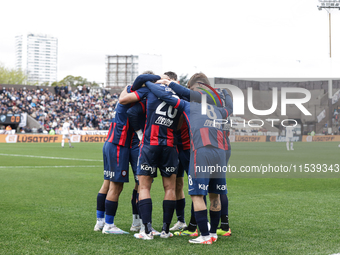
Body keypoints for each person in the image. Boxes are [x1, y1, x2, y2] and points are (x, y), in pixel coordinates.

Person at [143, 75, 232, 244]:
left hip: (201, 150)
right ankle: (213, 233)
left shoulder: (188, 105)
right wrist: (226, 93)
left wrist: (152, 83)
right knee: (215, 195)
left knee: (197, 195)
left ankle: (204, 236)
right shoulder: (220, 109)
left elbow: (165, 96)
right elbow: (230, 107)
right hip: (220, 152)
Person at [119, 72, 180, 240]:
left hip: (150, 144)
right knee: (170, 188)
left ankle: (147, 231)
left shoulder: (149, 90)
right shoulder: (178, 93)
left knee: (144, 187)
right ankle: (166, 231)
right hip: (170, 145)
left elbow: (124, 100)